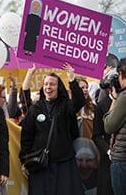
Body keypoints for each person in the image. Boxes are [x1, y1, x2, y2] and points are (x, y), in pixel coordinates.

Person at [19, 63, 86, 195]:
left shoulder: (66, 105)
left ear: (58, 87)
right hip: (41, 164)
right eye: (46, 84)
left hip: (64, 162)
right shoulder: (35, 109)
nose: (48, 87)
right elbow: (27, 136)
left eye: (52, 84)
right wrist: (24, 160)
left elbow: (79, 101)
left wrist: (72, 78)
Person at [104, 58, 126, 195]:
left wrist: (114, 100)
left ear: (122, 75)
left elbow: (109, 126)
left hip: (122, 159)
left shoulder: (124, 97)